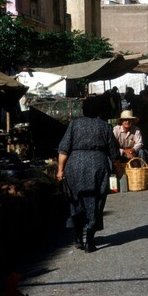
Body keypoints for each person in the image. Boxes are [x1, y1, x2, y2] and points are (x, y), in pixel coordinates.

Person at [57, 97, 119, 253]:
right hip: (98, 165)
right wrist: (117, 170)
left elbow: (63, 150)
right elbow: (114, 154)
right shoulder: (105, 126)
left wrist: (60, 170)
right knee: (96, 200)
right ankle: (89, 241)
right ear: (98, 110)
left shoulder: (74, 124)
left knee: (76, 200)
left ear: (83, 110)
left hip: (74, 165)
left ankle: (78, 238)